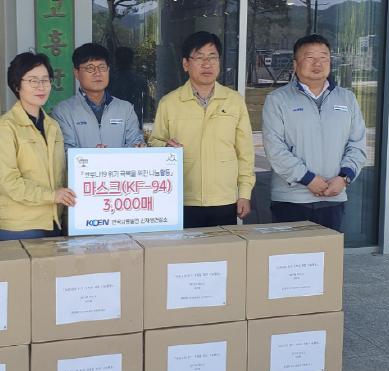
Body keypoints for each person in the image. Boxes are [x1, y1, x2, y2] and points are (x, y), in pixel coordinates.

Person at [149, 31, 255, 227]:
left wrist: (244, 193)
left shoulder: (234, 101)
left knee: (224, 246)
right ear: (185, 64)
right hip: (182, 198)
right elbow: (155, 141)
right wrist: (165, 147)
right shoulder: (169, 102)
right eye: (199, 58)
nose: (207, 64)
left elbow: (245, 153)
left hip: (225, 199)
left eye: (212, 57)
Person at [262, 34, 366, 232]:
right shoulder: (277, 100)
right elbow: (274, 148)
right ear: (295, 64)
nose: (318, 63)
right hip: (291, 200)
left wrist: (344, 178)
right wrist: (307, 179)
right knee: (291, 252)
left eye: (324, 57)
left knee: (328, 252)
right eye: (310, 57)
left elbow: (357, 144)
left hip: (333, 197)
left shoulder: (347, 99)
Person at [0, 52, 75, 240]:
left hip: (54, 222)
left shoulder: (52, 125)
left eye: (45, 80)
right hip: (20, 227)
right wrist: (51, 196)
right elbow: (7, 182)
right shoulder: (5, 128)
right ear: (17, 85)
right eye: (33, 81)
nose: (41, 86)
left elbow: (61, 173)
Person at [51, 43, 145, 150]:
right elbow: (65, 151)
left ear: (108, 70)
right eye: (90, 68)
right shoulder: (63, 112)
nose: (97, 73)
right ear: (76, 73)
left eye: (102, 67)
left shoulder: (126, 109)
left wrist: (139, 146)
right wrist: (94, 156)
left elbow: (135, 143)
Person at [109, 46, 152, 126]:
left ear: (116, 61)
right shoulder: (140, 80)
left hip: (114, 121)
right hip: (134, 120)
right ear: (132, 61)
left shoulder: (110, 80)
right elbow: (145, 106)